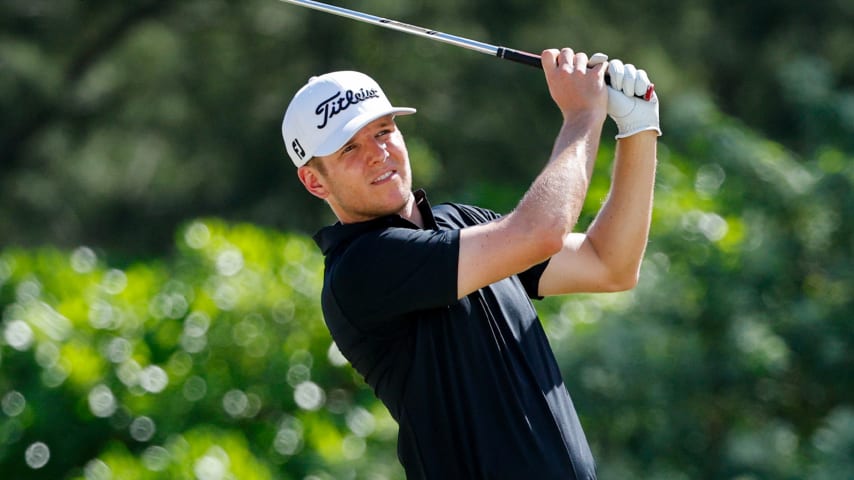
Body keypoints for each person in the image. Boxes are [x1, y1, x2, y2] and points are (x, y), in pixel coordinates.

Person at [281, 48, 660, 479]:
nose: (378, 153)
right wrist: (581, 116)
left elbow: (609, 265)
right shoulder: (360, 269)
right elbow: (541, 231)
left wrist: (637, 129)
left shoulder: (464, 223)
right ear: (314, 180)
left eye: (384, 131)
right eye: (349, 147)